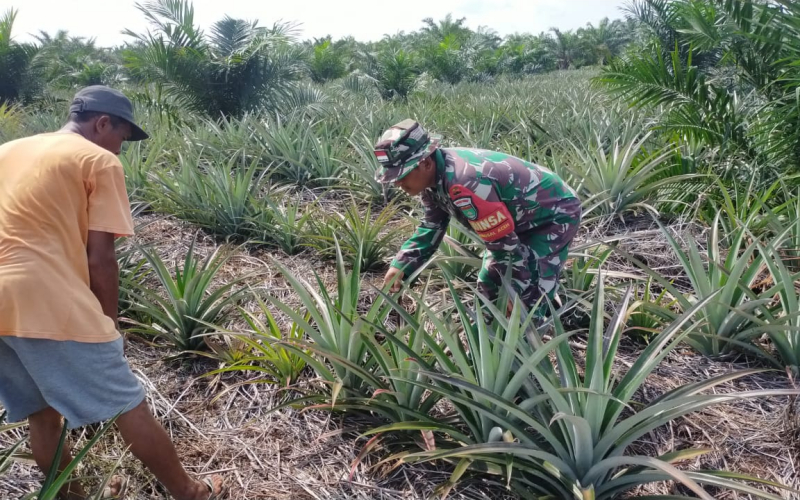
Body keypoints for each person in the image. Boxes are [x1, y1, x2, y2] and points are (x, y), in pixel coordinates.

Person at [0, 86, 225, 500]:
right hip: (43, 296)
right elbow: (100, 257)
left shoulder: (8, 150)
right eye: (122, 137)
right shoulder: (97, 160)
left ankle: (72, 496)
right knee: (126, 404)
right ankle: (191, 492)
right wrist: (110, 326)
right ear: (102, 123)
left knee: (42, 415)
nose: (120, 150)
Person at [376, 119, 581, 322]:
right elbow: (432, 226)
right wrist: (402, 263)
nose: (397, 182)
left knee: (525, 302)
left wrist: (516, 288)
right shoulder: (431, 180)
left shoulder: (465, 182)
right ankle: (488, 340)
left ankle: (529, 338)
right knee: (489, 283)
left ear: (426, 163)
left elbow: (504, 245)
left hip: (552, 215)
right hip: (516, 221)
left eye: (402, 174)